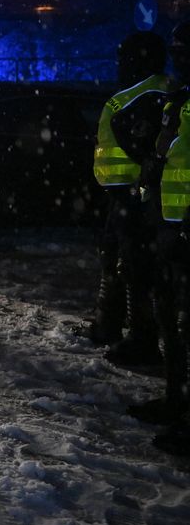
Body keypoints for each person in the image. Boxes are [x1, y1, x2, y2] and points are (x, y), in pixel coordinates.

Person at [91, 32, 168, 359]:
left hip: (139, 198)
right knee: (114, 258)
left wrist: (141, 188)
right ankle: (109, 324)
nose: (120, 63)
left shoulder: (150, 95)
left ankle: (142, 338)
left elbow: (152, 150)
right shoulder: (139, 93)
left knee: (135, 268)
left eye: (126, 56)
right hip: (124, 195)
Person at [140, 22, 190, 454]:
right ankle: (176, 405)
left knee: (184, 326)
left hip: (184, 231)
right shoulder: (180, 98)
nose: (178, 55)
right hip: (171, 230)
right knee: (172, 324)